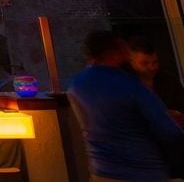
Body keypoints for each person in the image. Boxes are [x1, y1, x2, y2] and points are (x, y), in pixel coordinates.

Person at [68, 30, 184, 181]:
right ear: (113, 52)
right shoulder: (130, 85)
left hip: (101, 172)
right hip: (144, 172)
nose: (126, 55)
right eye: (123, 50)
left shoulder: (76, 85)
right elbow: (169, 132)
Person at [129, 36, 184, 124]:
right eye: (145, 63)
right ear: (132, 62)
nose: (152, 67)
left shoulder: (169, 80)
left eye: (155, 62)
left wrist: (179, 116)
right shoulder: (125, 84)